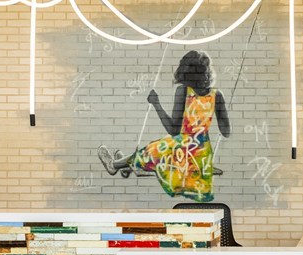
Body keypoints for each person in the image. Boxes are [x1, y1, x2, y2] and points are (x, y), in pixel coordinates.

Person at [98, 50, 230, 202]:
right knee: (156, 149)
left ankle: (114, 165)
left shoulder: (183, 91)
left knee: (151, 150)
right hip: (201, 155)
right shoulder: (217, 95)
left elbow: (173, 130)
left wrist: (156, 104)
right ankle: (126, 165)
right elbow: (226, 132)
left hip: (181, 153)